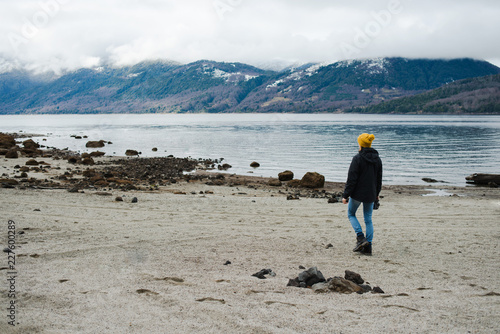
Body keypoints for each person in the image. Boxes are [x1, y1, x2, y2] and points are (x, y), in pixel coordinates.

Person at [342, 133, 382, 255]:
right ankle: (368, 247)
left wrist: (345, 195)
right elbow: (379, 179)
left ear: (361, 144)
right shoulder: (377, 159)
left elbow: (351, 179)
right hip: (371, 193)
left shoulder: (357, 158)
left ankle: (360, 237)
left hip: (358, 194)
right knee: (368, 219)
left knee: (351, 214)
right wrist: (377, 193)